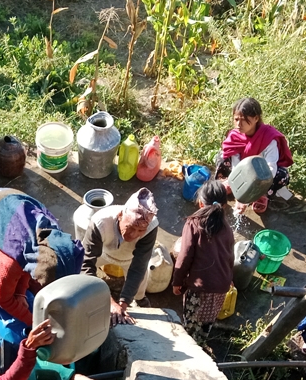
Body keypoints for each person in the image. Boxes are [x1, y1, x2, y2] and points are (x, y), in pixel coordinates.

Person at [0, 188, 83, 326]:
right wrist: (34, 323)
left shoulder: (54, 238)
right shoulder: (13, 257)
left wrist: (20, 293)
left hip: (6, 207)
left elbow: (31, 262)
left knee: (18, 281)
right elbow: (2, 299)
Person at [81, 188, 158, 326]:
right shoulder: (100, 222)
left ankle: (140, 299)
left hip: (130, 259)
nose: (134, 235)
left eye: (140, 230)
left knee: (139, 287)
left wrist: (123, 303)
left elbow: (138, 266)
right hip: (104, 253)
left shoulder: (151, 227)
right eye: (131, 227)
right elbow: (85, 264)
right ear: (121, 215)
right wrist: (108, 302)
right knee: (79, 274)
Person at [172, 180, 234, 345]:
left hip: (200, 288)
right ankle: (202, 339)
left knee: (192, 320)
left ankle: (192, 344)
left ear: (200, 203)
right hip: (222, 286)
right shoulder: (227, 227)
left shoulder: (193, 223)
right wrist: (230, 278)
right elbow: (229, 256)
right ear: (224, 206)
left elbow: (185, 256)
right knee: (208, 318)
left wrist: (177, 281)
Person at [215, 97, 293, 215]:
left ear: (256, 118)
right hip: (242, 169)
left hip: (262, 173)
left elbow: (270, 168)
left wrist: (253, 192)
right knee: (221, 157)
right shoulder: (235, 136)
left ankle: (262, 195)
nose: (238, 124)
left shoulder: (268, 138)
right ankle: (229, 183)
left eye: (244, 120)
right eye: (236, 119)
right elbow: (237, 165)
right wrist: (239, 189)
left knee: (282, 175)